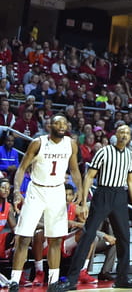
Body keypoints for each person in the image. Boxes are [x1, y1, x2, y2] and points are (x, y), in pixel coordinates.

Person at [62, 123, 132, 290]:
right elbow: (89, 176)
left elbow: (131, 181)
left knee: (124, 238)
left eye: (127, 133)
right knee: (88, 235)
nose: (125, 135)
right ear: (116, 135)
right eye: (122, 132)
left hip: (120, 195)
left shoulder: (130, 155)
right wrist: (84, 202)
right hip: (103, 194)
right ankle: (72, 279)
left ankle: (122, 278)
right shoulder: (104, 152)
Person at [10, 114, 84, 292]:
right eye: (57, 123)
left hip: (57, 191)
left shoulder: (71, 144)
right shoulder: (38, 142)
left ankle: (53, 281)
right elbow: (21, 168)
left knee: (56, 239)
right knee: (24, 237)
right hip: (36, 190)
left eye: (64, 123)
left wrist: (80, 189)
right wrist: (16, 190)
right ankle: (14, 281)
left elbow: (74, 169)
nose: (61, 126)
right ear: (49, 125)